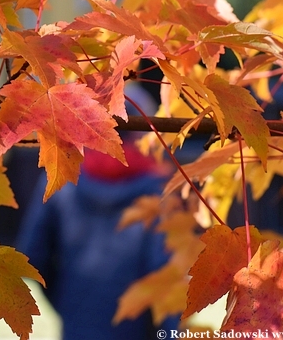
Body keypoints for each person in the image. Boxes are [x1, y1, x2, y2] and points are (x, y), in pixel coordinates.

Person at [17, 85, 179, 340]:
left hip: (78, 324)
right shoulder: (159, 190)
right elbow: (166, 273)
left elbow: (33, 255)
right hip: (141, 329)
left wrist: (66, 304)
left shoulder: (61, 180)